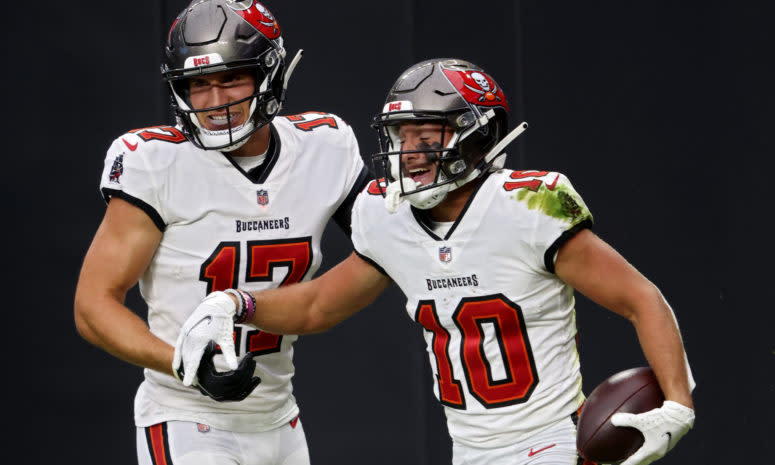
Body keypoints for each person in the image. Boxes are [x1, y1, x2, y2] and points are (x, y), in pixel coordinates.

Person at [174, 58, 696, 465]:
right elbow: (316, 307)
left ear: (478, 136)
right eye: (402, 137)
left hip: (550, 442)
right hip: (467, 450)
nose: (411, 152)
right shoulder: (386, 215)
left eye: (428, 137)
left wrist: (677, 403)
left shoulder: (529, 205)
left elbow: (640, 299)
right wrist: (236, 303)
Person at [73, 1, 370, 464]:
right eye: (198, 84)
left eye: (231, 78)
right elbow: (93, 306)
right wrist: (182, 362)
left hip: (281, 418)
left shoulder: (323, 147)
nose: (214, 101)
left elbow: (390, 247)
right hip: (186, 416)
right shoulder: (156, 162)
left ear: (269, 74)